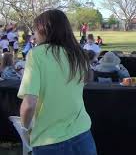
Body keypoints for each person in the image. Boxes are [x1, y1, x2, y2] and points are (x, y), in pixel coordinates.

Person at [17, 9, 97, 155]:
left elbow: (29, 104)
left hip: (49, 141)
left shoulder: (36, 55)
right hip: (83, 134)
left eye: (35, 31)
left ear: (45, 31)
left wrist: (24, 129)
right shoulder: (77, 53)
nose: (34, 35)